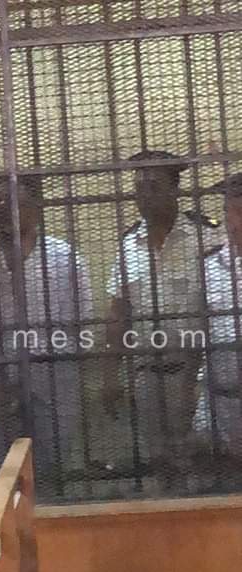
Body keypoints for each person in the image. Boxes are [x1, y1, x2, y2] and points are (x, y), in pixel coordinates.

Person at [0, 176, 93, 497]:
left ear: (37, 206)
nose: (3, 208)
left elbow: (80, 329)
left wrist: (60, 383)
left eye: (13, 201)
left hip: (51, 383)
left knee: (49, 479)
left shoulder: (66, 259)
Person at [104, 149, 226, 483]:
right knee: (160, 464)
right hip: (146, 374)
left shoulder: (206, 236)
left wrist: (198, 378)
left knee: (203, 464)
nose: (144, 196)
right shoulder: (129, 243)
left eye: (154, 186)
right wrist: (111, 376)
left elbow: (221, 306)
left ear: (175, 188)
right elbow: (118, 313)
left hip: (197, 372)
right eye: (138, 188)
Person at [194, 173, 242, 458]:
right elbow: (197, 332)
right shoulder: (209, 265)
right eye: (229, 212)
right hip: (220, 399)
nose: (234, 223)